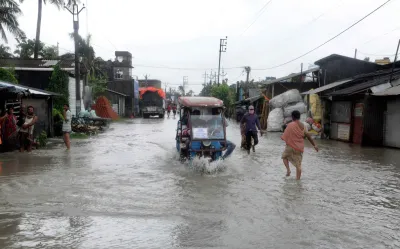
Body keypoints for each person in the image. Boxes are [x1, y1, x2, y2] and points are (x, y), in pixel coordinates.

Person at [281, 110, 319, 180]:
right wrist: (314, 145)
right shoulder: (304, 126)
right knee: (298, 165)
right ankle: (298, 181)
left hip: (290, 146)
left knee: (284, 157)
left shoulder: (290, 125)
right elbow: (308, 137)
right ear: (299, 117)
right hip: (299, 148)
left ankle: (288, 170)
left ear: (292, 117)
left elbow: (284, 136)